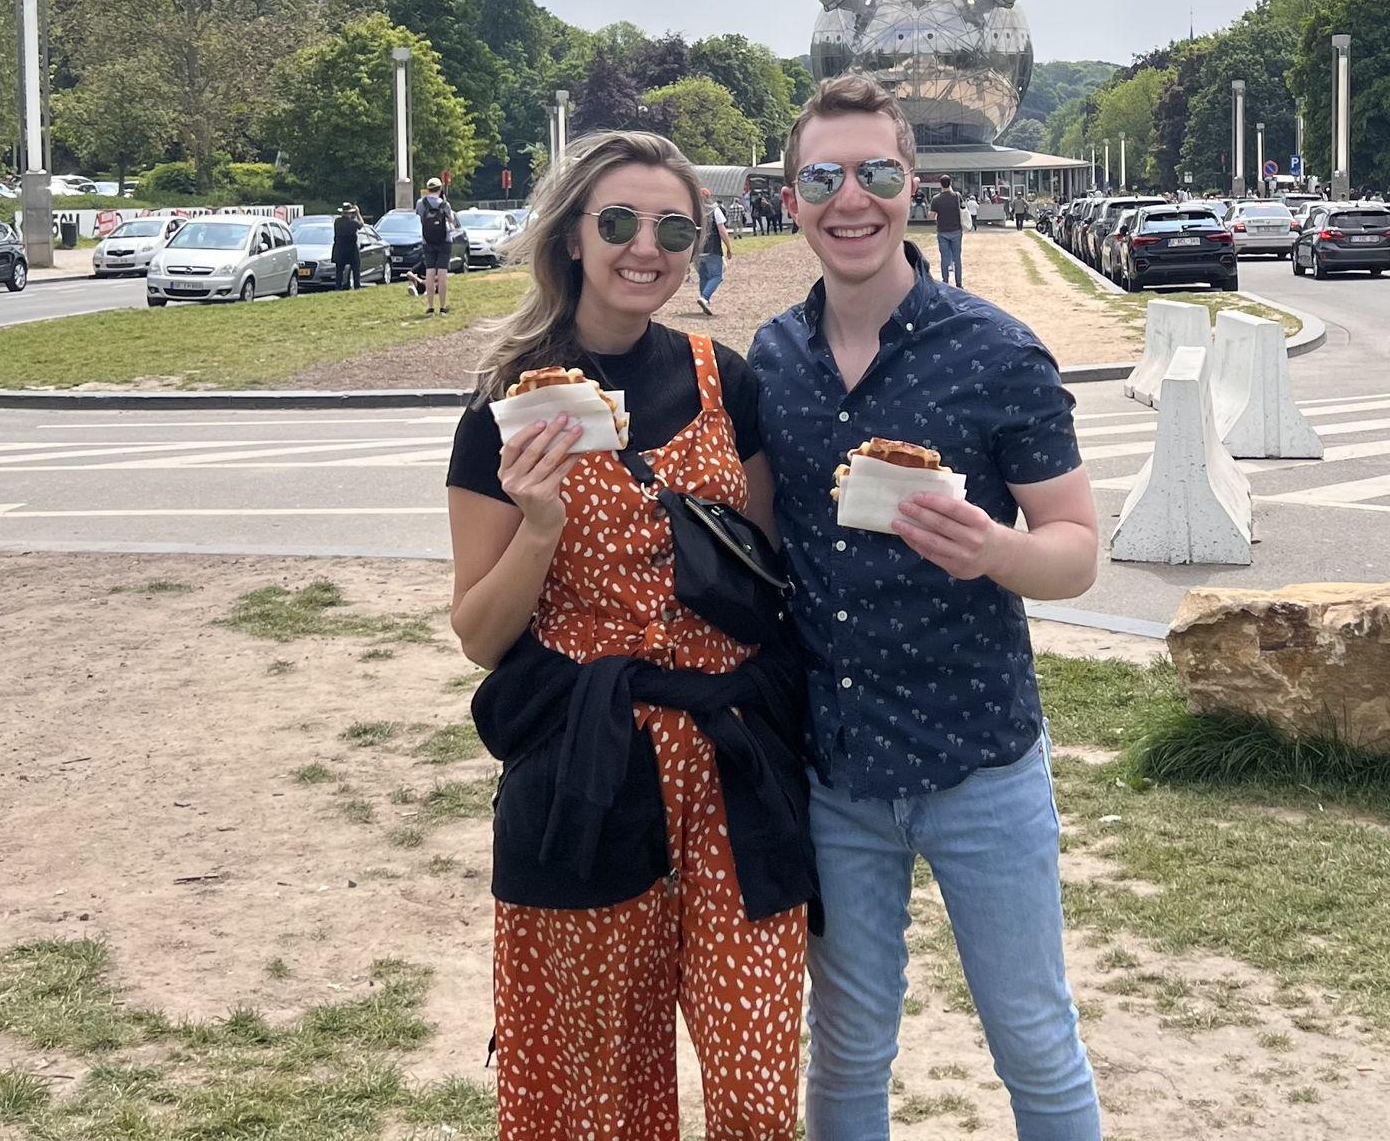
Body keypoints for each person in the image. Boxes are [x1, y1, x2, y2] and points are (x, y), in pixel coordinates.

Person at [751, 76, 1104, 1141]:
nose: (850, 199)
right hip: (836, 769)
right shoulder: (773, 359)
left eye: (875, 172)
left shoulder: (997, 352)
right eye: (823, 177)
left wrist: (996, 550)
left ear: (914, 184)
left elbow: (1075, 551)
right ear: (790, 198)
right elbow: (763, 546)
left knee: (1032, 1038)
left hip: (978, 762)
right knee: (848, 1044)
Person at [445, 131, 811, 1141]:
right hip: (590, 765)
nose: (644, 248)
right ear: (571, 236)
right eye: (618, 222)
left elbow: (765, 567)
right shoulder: (506, 408)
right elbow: (479, 632)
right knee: (599, 1096)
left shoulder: (724, 380)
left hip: (734, 766)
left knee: (756, 1088)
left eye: (673, 230)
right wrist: (540, 527)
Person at [419, 176, 457, 315]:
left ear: (428, 189)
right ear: (440, 189)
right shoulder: (444, 204)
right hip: (444, 241)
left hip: (427, 241)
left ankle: (430, 307)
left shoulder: (421, 203)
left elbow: (421, 218)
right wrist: (444, 203)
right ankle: (442, 307)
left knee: (429, 272)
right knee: (442, 273)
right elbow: (451, 220)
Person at [929, 173, 965, 287]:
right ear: (951, 183)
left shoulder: (936, 199)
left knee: (944, 259)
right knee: (957, 258)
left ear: (940, 184)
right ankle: (959, 283)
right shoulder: (957, 196)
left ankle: (945, 282)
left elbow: (931, 216)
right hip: (956, 230)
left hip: (942, 231)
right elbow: (963, 208)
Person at [698, 195, 730, 314]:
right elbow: (722, 230)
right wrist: (728, 247)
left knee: (704, 277)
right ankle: (704, 298)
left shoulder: (695, 211)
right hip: (712, 248)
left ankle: (705, 303)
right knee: (717, 276)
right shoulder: (715, 210)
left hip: (698, 250)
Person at [332, 201, 364, 291]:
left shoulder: (337, 222)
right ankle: (357, 286)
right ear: (350, 213)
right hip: (352, 249)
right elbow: (361, 224)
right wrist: (358, 213)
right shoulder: (353, 223)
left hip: (340, 249)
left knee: (339, 271)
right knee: (356, 268)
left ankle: (338, 287)